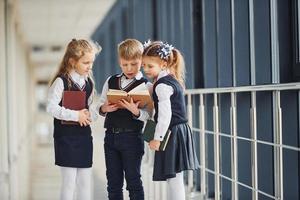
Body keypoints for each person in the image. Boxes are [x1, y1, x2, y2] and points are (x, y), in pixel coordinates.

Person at [142, 40, 200, 200]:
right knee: (174, 177)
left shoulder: (162, 86)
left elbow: (164, 115)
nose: (145, 69)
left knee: (173, 178)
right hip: (177, 130)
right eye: (144, 65)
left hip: (171, 132)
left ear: (163, 64)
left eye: (150, 66)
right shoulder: (168, 80)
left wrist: (157, 138)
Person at [47, 38, 101, 200]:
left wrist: (95, 113)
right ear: (72, 62)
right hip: (66, 138)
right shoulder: (61, 82)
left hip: (84, 137)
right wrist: (76, 115)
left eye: (91, 62)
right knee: (69, 182)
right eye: (86, 63)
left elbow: (90, 109)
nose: (89, 67)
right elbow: (51, 107)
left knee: (85, 182)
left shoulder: (89, 83)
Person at [97, 38, 151, 200]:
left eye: (134, 64)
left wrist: (136, 111)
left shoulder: (146, 85)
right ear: (120, 62)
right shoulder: (111, 80)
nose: (129, 68)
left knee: (133, 182)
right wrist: (104, 108)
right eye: (125, 64)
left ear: (141, 61)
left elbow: (149, 115)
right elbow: (100, 104)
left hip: (132, 138)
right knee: (113, 184)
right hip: (111, 137)